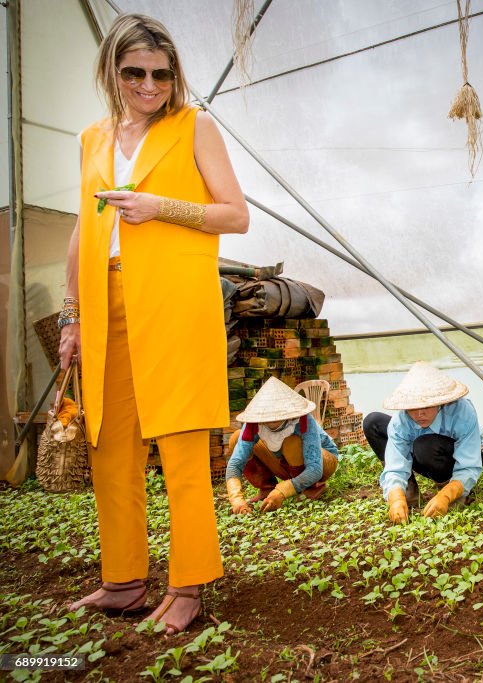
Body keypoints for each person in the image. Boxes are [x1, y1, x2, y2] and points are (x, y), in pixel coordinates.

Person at [60, 14, 248, 634]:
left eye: (161, 75)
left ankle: (189, 584)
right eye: (135, 72)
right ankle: (123, 581)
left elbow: (235, 215)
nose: (149, 85)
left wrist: (159, 206)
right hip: (105, 299)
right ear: (113, 71)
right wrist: (72, 316)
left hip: (173, 299)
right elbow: (83, 230)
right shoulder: (92, 139)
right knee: (109, 443)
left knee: (182, 442)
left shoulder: (194, 127)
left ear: (175, 78)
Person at [363, 362, 483, 524]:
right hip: (424, 452)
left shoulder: (462, 412)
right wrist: (396, 498)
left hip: (458, 458)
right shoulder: (401, 421)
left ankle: (455, 489)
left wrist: (446, 495)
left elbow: (470, 464)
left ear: (439, 402)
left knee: (424, 445)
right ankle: (408, 490)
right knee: (373, 422)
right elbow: (394, 463)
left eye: (426, 406)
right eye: (413, 408)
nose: (419, 414)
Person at [224, 377, 340, 514]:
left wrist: (283, 491)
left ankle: (311, 488)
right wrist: (236, 499)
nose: (272, 419)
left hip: (322, 461)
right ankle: (267, 488)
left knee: (292, 442)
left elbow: (315, 469)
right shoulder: (253, 423)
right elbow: (235, 463)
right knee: (237, 438)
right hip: (285, 463)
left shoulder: (302, 419)